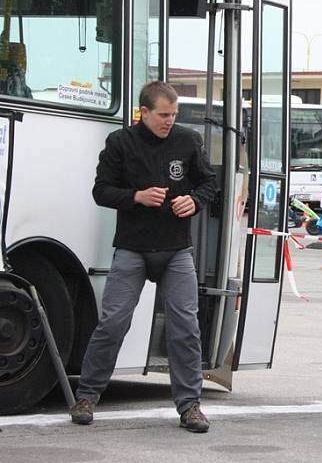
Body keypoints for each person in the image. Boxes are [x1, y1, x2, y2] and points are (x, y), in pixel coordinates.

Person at [70, 81, 216, 432]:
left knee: (185, 328)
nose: (169, 121)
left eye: (174, 114)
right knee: (113, 323)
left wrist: (194, 201)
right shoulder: (120, 143)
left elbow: (209, 183)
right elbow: (100, 191)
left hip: (176, 250)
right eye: (163, 115)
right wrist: (136, 197)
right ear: (144, 112)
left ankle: (190, 406)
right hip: (133, 248)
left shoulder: (187, 140)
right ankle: (87, 396)